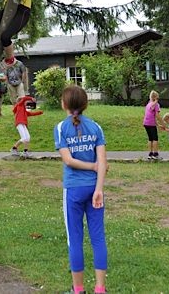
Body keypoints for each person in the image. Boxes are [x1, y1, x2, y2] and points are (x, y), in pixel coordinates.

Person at [54, 85, 108, 294]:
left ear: (64, 104)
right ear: (85, 104)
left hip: (74, 190)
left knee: (74, 238)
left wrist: (92, 166)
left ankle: (78, 290)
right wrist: (99, 188)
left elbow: (68, 160)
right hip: (95, 189)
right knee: (98, 237)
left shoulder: (60, 128)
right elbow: (102, 162)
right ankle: (100, 289)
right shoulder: (96, 127)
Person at [143, 90, 166, 160]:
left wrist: (158, 125)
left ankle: (150, 154)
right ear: (157, 97)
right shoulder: (156, 105)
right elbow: (157, 116)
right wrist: (163, 124)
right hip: (151, 124)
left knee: (150, 139)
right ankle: (155, 154)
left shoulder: (148, 104)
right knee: (155, 138)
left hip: (146, 123)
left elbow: (150, 116)